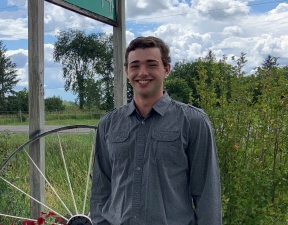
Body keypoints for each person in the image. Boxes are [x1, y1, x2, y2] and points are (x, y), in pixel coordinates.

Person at [90, 36, 222, 225]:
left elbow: (207, 193)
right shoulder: (109, 123)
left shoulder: (193, 121)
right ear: (127, 71)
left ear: (166, 69)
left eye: (151, 65)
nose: (142, 73)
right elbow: (101, 188)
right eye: (135, 66)